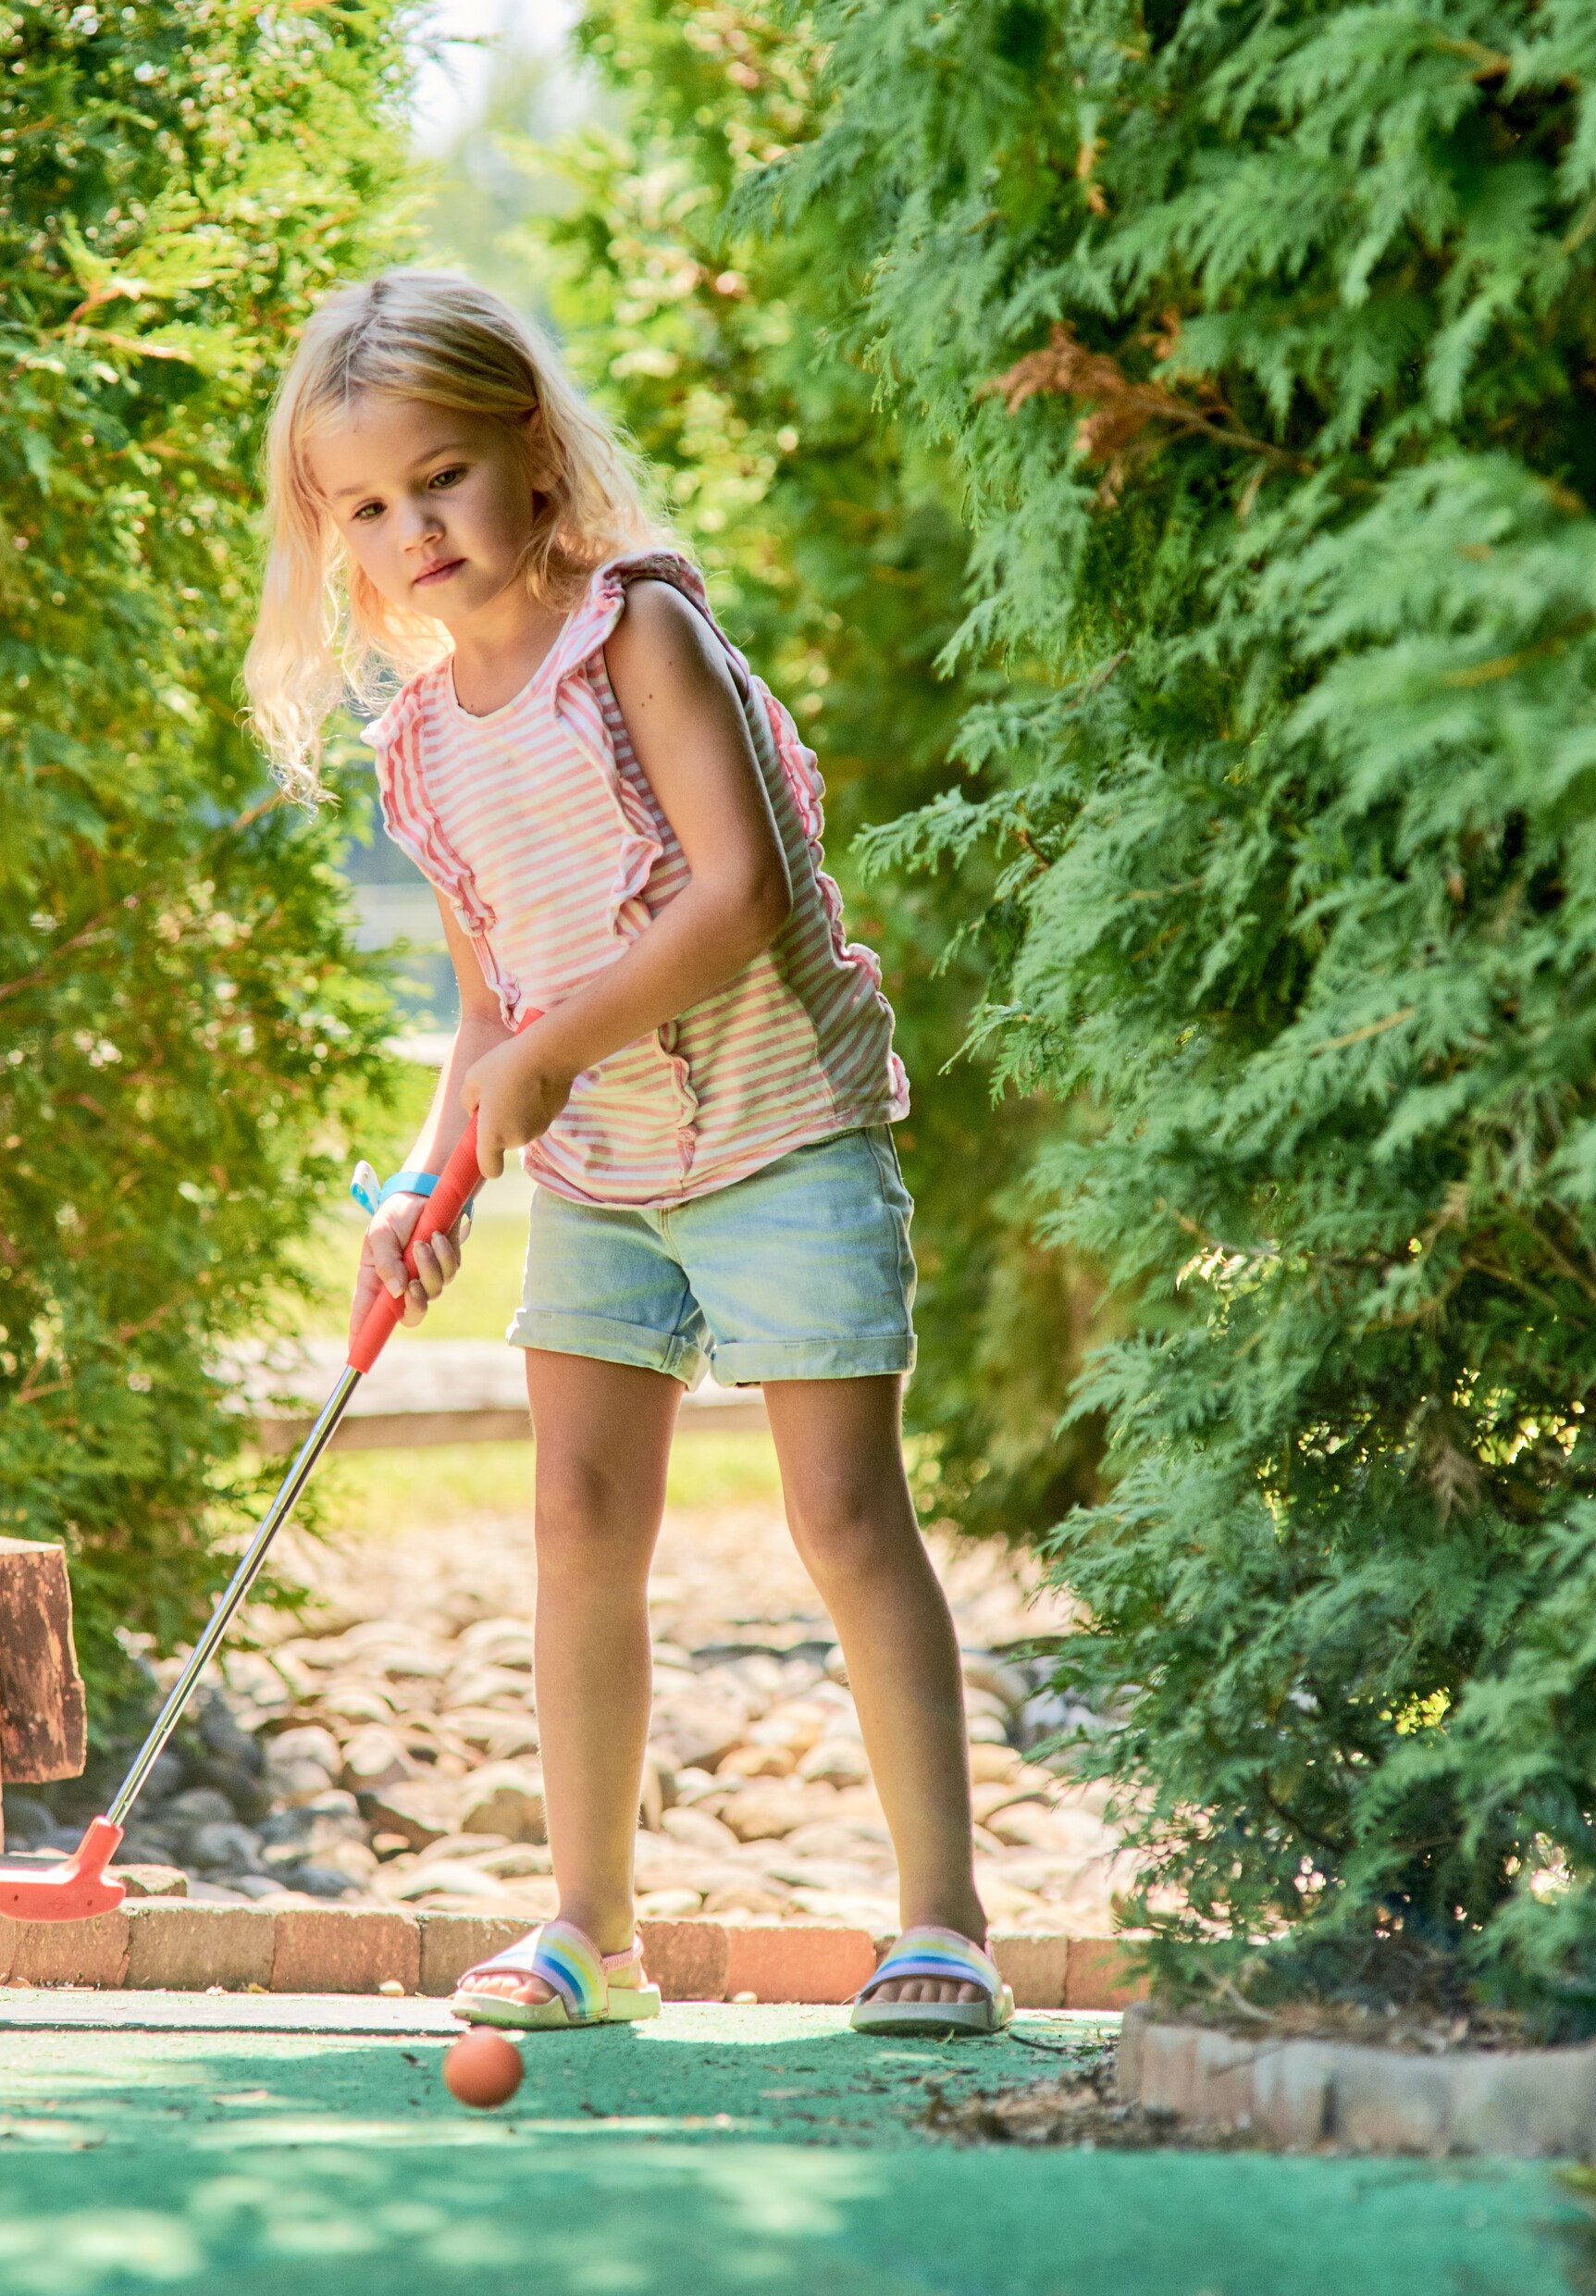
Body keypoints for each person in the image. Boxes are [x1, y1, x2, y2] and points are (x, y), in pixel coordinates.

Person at [243, 268, 1003, 2037]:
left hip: (780, 1129)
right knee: (577, 1513)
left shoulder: (634, 635)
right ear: (329, 535)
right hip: (605, 1171)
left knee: (839, 1510)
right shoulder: (421, 747)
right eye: (364, 505)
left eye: (439, 475)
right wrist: (435, 1177)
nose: (410, 528)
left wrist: (544, 1058)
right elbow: (486, 1002)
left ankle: (945, 1923)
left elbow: (736, 900)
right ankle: (591, 1927)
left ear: (527, 450)